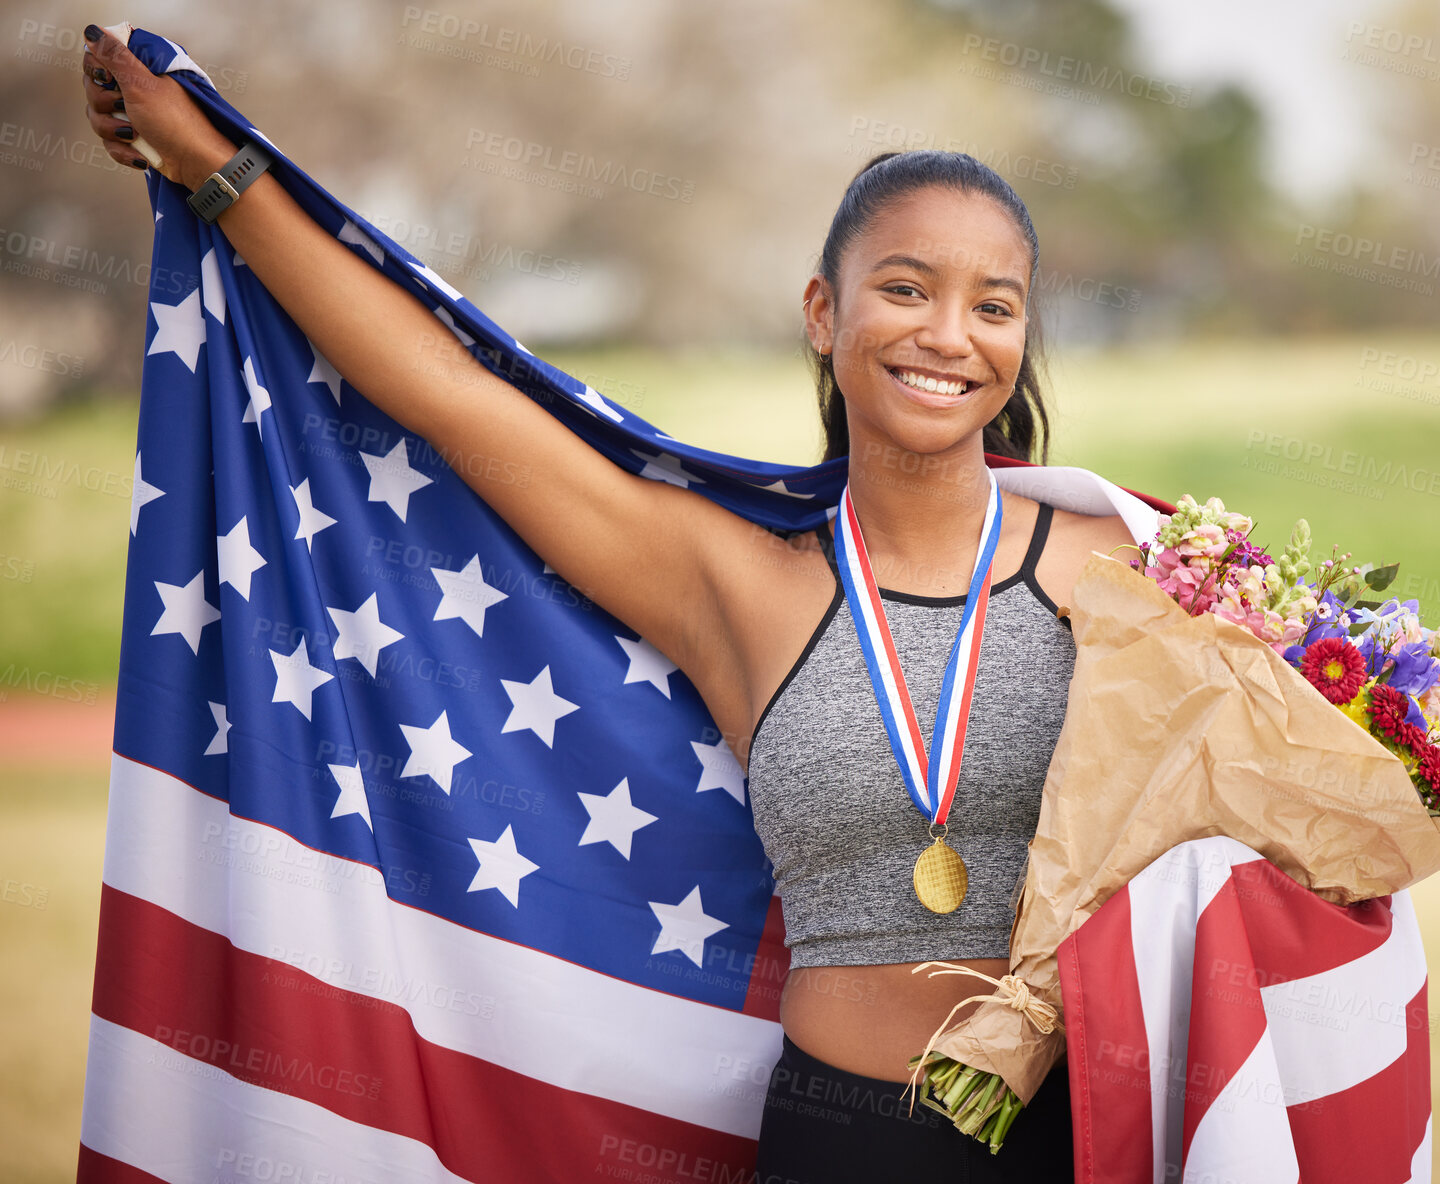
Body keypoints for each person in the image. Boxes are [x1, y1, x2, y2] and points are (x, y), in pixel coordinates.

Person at [79, 24, 1138, 1180]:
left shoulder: (1120, 569)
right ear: (824, 314)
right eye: (904, 288)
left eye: (994, 305)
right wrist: (218, 173)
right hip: (843, 1140)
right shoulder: (735, 582)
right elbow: (450, 398)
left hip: (1084, 1136)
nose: (948, 334)